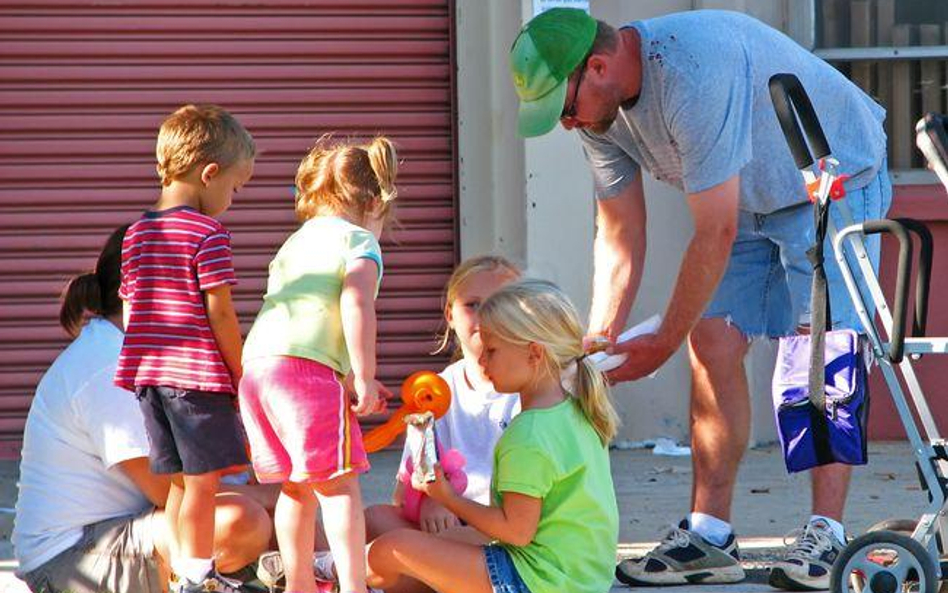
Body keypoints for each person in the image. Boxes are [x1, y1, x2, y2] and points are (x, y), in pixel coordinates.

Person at [508, 7, 892, 590]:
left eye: (563, 108)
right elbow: (618, 234)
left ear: (599, 67)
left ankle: (827, 537)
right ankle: (710, 536)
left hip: (833, 181)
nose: (565, 125)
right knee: (711, 340)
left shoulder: (691, 72)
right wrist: (599, 342)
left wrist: (659, 343)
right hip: (747, 197)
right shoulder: (599, 119)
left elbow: (714, 234)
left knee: (820, 351)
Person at [13, 226, 272, 593]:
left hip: (133, 526)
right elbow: (169, 491)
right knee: (241, 522)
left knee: (280, 512)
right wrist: (269, 497)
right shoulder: (106, 364)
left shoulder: (151, 356)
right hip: (69, 558)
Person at [365, 279, 620, 593]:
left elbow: (515, 531)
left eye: (492, 350)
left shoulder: (529, 433)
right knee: (411, 532)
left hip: (536, 580)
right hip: (576, 577)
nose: (482, 360)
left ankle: (327, 573)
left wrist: (447, 498)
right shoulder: (574, 411)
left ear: (535, 354)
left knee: (391, 548)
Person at [239, 136, 397, 593]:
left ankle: (300, 584)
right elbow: (355, 303)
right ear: (373, 201)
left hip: (259, 370)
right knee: (341, 487)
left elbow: (308, 320)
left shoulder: (294, 243)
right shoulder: (360, 240)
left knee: (296, 487)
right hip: (303, 377)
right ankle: (353, 586)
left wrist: (347, 376)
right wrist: (364, 376)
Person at [114, 104, 256, 593]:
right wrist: (241, 369)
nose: (231, 200)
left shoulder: (136, 233)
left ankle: (180, 573)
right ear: (209, 173)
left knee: (176, 481)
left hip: (149, 378)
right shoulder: (208, 234)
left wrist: (139, 369)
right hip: (195, 378)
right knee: (202, 483)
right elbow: (220, 311)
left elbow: (131, 311)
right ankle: (198, 574)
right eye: (234, 188)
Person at [338, 256, 520, 593]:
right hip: (448, 520)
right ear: (450, 314)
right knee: (377, 518)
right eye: (473, 305)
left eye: (500, 305)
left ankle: (335, 570)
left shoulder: (529, 388)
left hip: (504, 526)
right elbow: (408, 484)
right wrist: (431, 500)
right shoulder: (436, 389)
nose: (485, 316)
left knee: (398, 550)